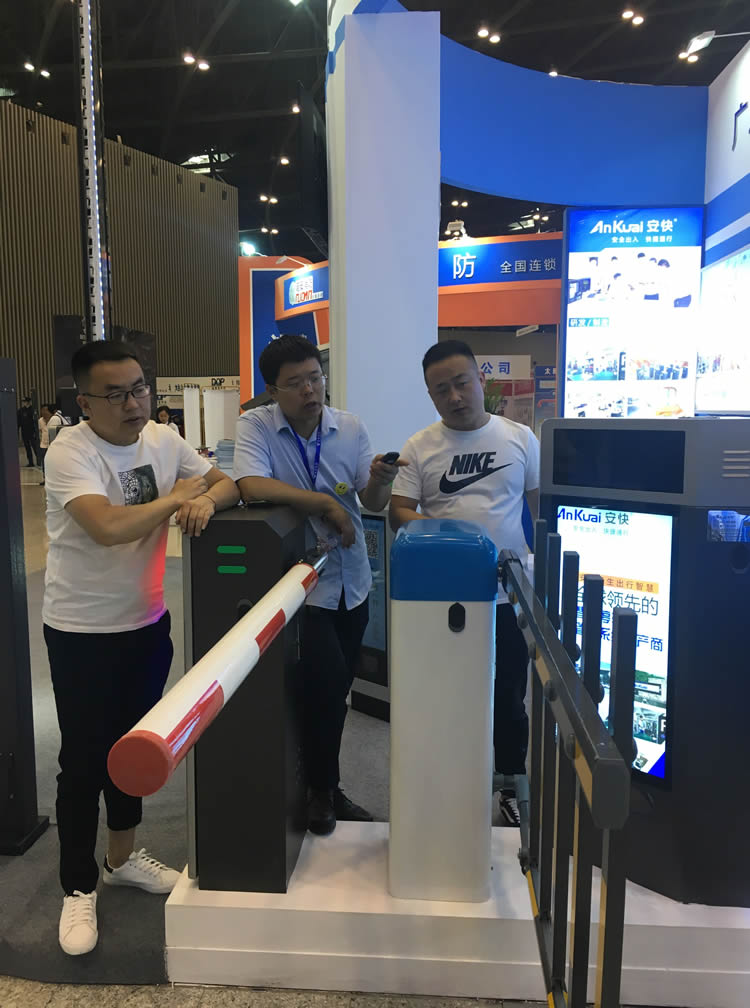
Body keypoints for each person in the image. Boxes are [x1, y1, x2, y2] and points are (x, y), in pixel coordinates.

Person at [43, 341, 239, 957]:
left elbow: (225, 482)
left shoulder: (163, 439)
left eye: (139, 389)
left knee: (131, 750)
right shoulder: (70, 450)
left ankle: (121, 860)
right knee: (83, 761)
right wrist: (178, 498)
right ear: (85, 403)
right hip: (80, 630)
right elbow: (106, 527)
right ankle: (78, 886)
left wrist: (205, 497)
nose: (133, 403)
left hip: (147, 623)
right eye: (116, 394)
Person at [233, 334, 404, 837]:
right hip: (300, 584)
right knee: (324, 685)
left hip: (352, 579)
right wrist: (324, 503)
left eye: (314, 378)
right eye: (295, 383)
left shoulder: (348, 428)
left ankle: (318, 782)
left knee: (335, 688)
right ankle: (322, 791)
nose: (309, 390)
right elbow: (250, 484)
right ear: (272, 391)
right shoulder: (256, 426)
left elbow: (372, 503)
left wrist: (381, 478)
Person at [389, 340, 540, 828]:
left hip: (508, 595)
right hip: (444, 599)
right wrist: (448, 541)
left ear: (480, 381)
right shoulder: (420, 447)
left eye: (461, 383)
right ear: (430, 395)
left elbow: (540, 506)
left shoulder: (520, 438)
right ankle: (451, 785)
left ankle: (511, 784)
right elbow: (398, 511)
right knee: (448, 694)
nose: (454, 397)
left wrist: (540, 568)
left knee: (510, 695)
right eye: (441, 390)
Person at [17, 395, 41, 467]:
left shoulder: (33, 410)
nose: (25, 403)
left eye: (26, 401)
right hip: (24, 432)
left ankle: (39, 461)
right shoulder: (20, 411)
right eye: (24, 401)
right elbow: (18, 422)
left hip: (32, 431)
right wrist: (17, 431)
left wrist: (36, 432)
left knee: (35, 446)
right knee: (27, 448)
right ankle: (30, 462)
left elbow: (36, 421)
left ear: (29, 402)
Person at [38, 403, 52, 485]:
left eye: (46, 410)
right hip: (43, 445)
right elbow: (41, 431)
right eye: (42, 410)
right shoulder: (40, 420)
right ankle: (45, 479)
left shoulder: (53, 420)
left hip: (51, 445)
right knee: (44, 463)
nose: (44, 412)